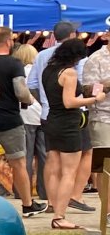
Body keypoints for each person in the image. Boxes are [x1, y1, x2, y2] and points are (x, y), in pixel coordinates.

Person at [0, 28, 45, 215]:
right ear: (8, 42)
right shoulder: (14, 64)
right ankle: (27, 204)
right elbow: (21, 91)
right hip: (10, 121)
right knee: (18, 163)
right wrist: (29, 100)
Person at [28, 21, 94, 213]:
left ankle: (52, 202)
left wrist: (46, 101)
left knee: (52, 160)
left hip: (48, 114)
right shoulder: (73, 67)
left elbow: (31, 84)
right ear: (73, 35)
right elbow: (73, 97)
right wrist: (94, 98)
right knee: (78, 159)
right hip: (71, 117)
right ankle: (72, 198)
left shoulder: (43, 57)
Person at [44, 37, 107, 230]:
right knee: (69, 172)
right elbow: (69, 102)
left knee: (54, 168)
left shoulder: (49, 70)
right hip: (68, 123)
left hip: (52, 120)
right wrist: (95, 99)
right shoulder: (69, 73)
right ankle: (60, 216)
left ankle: (54, 206)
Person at [14, 42, 48, 202]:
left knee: (25, 157)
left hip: (24, 116)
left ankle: (22, 191)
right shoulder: (41, 72)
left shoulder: (19, 73)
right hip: (42, 115)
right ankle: (45, 191)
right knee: (44, 156)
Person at [82, 42, 110, 201]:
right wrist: (107, 84)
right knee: (106, 167)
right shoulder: (96, 59)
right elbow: (88, 92)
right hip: (103, 118)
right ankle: (108, 212)